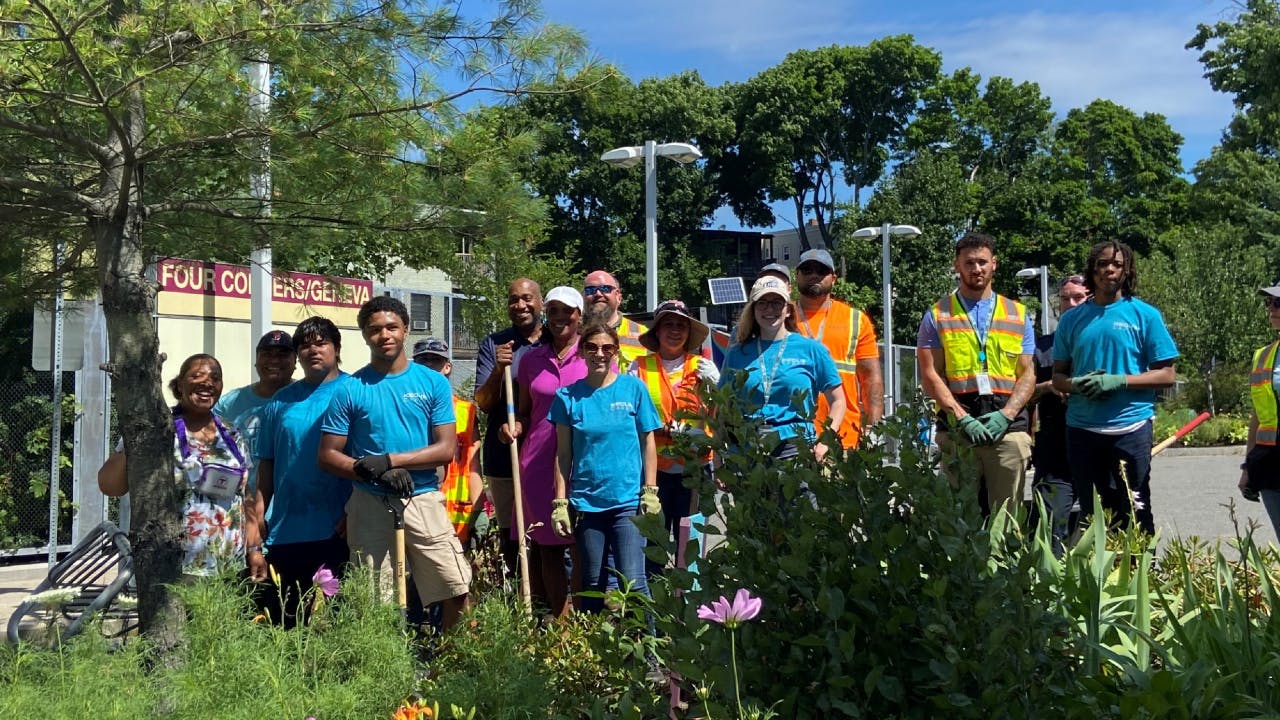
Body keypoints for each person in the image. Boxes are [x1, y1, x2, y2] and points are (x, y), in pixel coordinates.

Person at [318, 296, 470, 630]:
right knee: (375, 601)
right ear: (364, 335)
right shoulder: (350, 389)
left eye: (391, 327)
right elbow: (328, 454)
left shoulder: (431, 383)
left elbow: (445, 449)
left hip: (424, 499)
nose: (384, 335)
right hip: (369, 503)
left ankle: (448, 668)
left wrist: (389, 461)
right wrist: (368, 470)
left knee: (456, 588)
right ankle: (388, 671)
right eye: (374, 330)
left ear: (405, 329)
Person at [1052, 240, 1178, 536]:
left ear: (1127, 270)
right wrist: (1078, 385)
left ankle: (1142, 576)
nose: (1109, 269)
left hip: (1131, 427)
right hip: (1083, 429)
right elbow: (1058, 377)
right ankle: (1099, 578)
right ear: (1091, 270)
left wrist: (1119, 381)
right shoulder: (1072, 320)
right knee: (1093, 511)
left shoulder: (1145, 315)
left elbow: (1167, 375)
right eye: (1102, 263)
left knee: (1136, 509)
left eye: (1117, 264)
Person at [917, 232, 1036, 517]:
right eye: (969, 262)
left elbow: (1028, 374)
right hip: (959, 431)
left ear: (994, 264)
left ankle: (1005, 563)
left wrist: (1007, 414)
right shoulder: (937, 315)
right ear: (957, 265)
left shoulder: (1018, 314)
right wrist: (962, 418)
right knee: (961, 517)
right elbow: (931, 375)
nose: (976, 269)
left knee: (1007, 519)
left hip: (1007, 429)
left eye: (982, 262)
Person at [98, 353, 250, 576]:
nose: (207, 382)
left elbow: (245, 496)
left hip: (228, 563)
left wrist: (254, 548)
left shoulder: (232, 432)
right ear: (180, 384)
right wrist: (137, 437)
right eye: (197, 375)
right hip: (174, 564)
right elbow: (110, 486)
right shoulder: (156, 428)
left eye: (215, 378)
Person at [551, 322, 663, 611]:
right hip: (587, 503)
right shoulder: (567, 397)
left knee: (633, 582)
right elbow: (563, 455)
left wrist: (650, 490)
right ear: (582, 351)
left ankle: (646, 651)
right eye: (592, 347)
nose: (599, 353)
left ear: (615, 351)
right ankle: (593, 651)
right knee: (592, 583)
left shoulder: (633, 389)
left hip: (627, 500)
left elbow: (647, 442)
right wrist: (560, 503)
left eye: (607, 348)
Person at [249, 317, 352, 627]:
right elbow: (266, 465)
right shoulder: (280, 402)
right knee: (284, 624)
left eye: (321, 343)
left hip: (340, 528)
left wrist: (355, 508)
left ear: (336, 348)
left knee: (343, 623)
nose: (313, 350)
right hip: (287, 530)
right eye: (305, 345)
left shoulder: (357, 390)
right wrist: (256, 522)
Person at [500, 286, 587, 617]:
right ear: (545, 315)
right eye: (553, 311)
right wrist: (515, 427)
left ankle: (584, 622)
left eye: (568, 311)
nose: (560, 317)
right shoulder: (531, 359)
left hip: (583, 462)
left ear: (580, 315)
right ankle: (559, 625)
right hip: (538, 462)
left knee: (582, 547)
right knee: (547, 547)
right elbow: (525, 411)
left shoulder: (594, 353)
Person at [628, 300, 717, 576]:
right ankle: (652, 608)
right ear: (657, 331)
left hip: (695, 468)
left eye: (681, 325)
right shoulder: (639, 367)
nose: (675, 330)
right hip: (654, 471)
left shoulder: (702, 366)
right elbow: (630, 417)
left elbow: (720, 415)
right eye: (668, 324)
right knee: (652, 542)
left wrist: (719, 384)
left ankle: (687, 605)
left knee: (688, 543)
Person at [719, 276, 846, 462]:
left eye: (777, 303)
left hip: (795, 446)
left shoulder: (812, 350)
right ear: (753, 310)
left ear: (788, 310)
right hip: (746, 449)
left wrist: (826, 441)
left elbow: (838, 401)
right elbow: (723, 406)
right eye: (762, 303)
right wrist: (719, 453)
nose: (769, 309)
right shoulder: (738, 353)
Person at [473, 278, 543, 576]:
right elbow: (484, 403)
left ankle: (551, 606)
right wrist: (500, 369)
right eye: (513, 299)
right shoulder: (495, 343)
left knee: (546, 534)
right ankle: (519, 600)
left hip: (545, 455)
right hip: (505, 455)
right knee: (511, 536)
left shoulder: (555, 340)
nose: (520, 305)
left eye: (527, 298)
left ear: (540, 302)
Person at [794, 248, 884, 449]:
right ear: (796, 276)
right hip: (791, 441)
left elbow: (871, 379)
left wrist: (873, 429)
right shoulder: (782, 319)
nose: (814, 275)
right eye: (807, 270)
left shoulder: (855, 320)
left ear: (833, 278)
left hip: (844, 439)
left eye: (821, 271)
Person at [1029, 275, 1089, 554]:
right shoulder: (1041, 348)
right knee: (1051, 526)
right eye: (1065, 298)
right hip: (1054, 450)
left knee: (1107, 523)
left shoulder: (1105, 340)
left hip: (1097, 445)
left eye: (1078, 297)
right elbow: (1024, 394)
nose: (1071, 304)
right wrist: (1050, 386)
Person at [413, 337, 483, 544]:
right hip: (419, 507)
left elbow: (473, 463)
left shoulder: (465, 411)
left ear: (447, 367)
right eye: (422, 362)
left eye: (434, 361)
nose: (428, 368)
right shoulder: (407, 410)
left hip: (455, 510)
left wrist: (479, 509)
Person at [1241, 280, 1280, 538]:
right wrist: (1247, 467)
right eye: (1269, 302)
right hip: (1269, 463)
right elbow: (1257, 416)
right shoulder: (1263, 356)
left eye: (1278, 302)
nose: (1271, 308)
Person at [583, 270, 649, 366]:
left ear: (618, 297)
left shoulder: (643, 335)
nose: (598, 294)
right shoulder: (574, 335)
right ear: (583, 297)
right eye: (590, 290)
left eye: (605, 289)